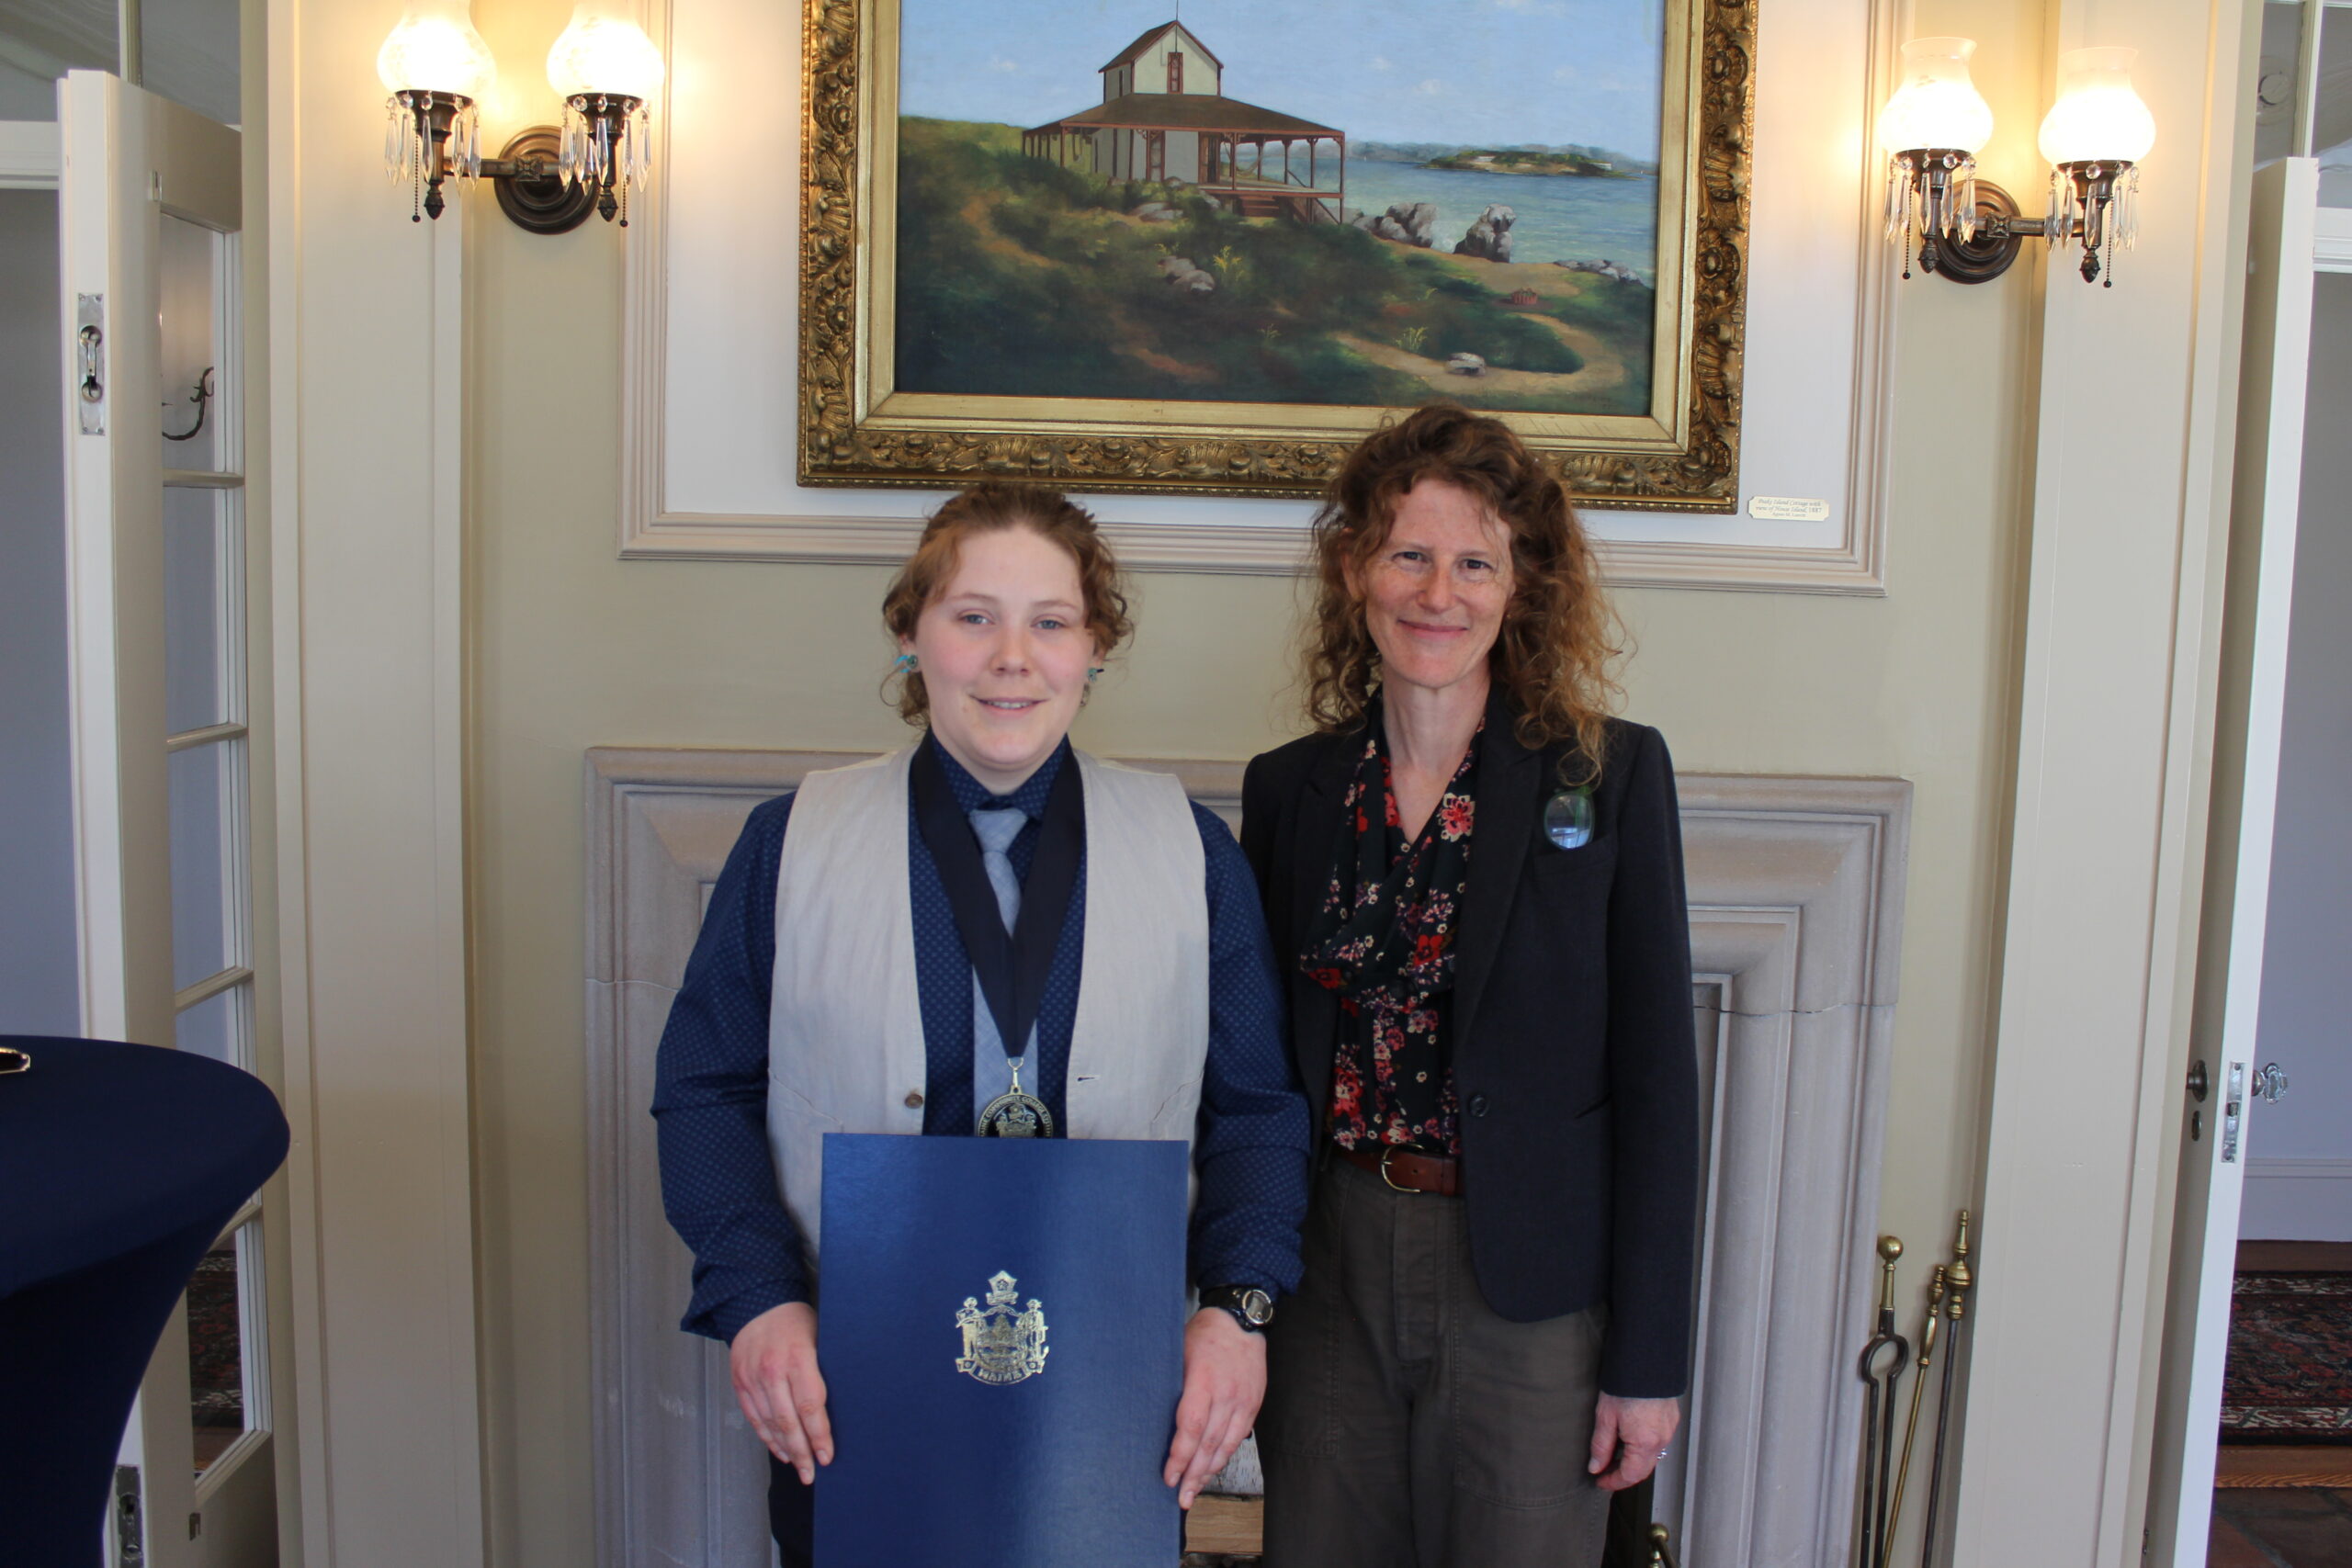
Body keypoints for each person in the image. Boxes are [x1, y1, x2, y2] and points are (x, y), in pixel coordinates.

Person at [652, 482, 1312, 1564]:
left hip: (1113, 1378)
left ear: (1093, 648)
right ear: (910, 635)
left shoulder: (1192, 851)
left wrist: (1238, 1310)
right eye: (972, 617)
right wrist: (757, 1298)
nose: (1013, 658)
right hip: (848, 1369)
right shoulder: (789, 843)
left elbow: (1257, 1110)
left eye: (1050, 622)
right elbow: (703, 1089)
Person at [1239, 405, 1701, 1567]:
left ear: (1520, 585)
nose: (1436, 593)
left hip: (1529, 1284)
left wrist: (1648, 1364)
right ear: (1355, 570)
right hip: (1329, 1267)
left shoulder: (1609, 777)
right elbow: (1253, 1073)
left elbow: (1659, 1086)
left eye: (1474, 563)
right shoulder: (1289, 791)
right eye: (1408, 554)